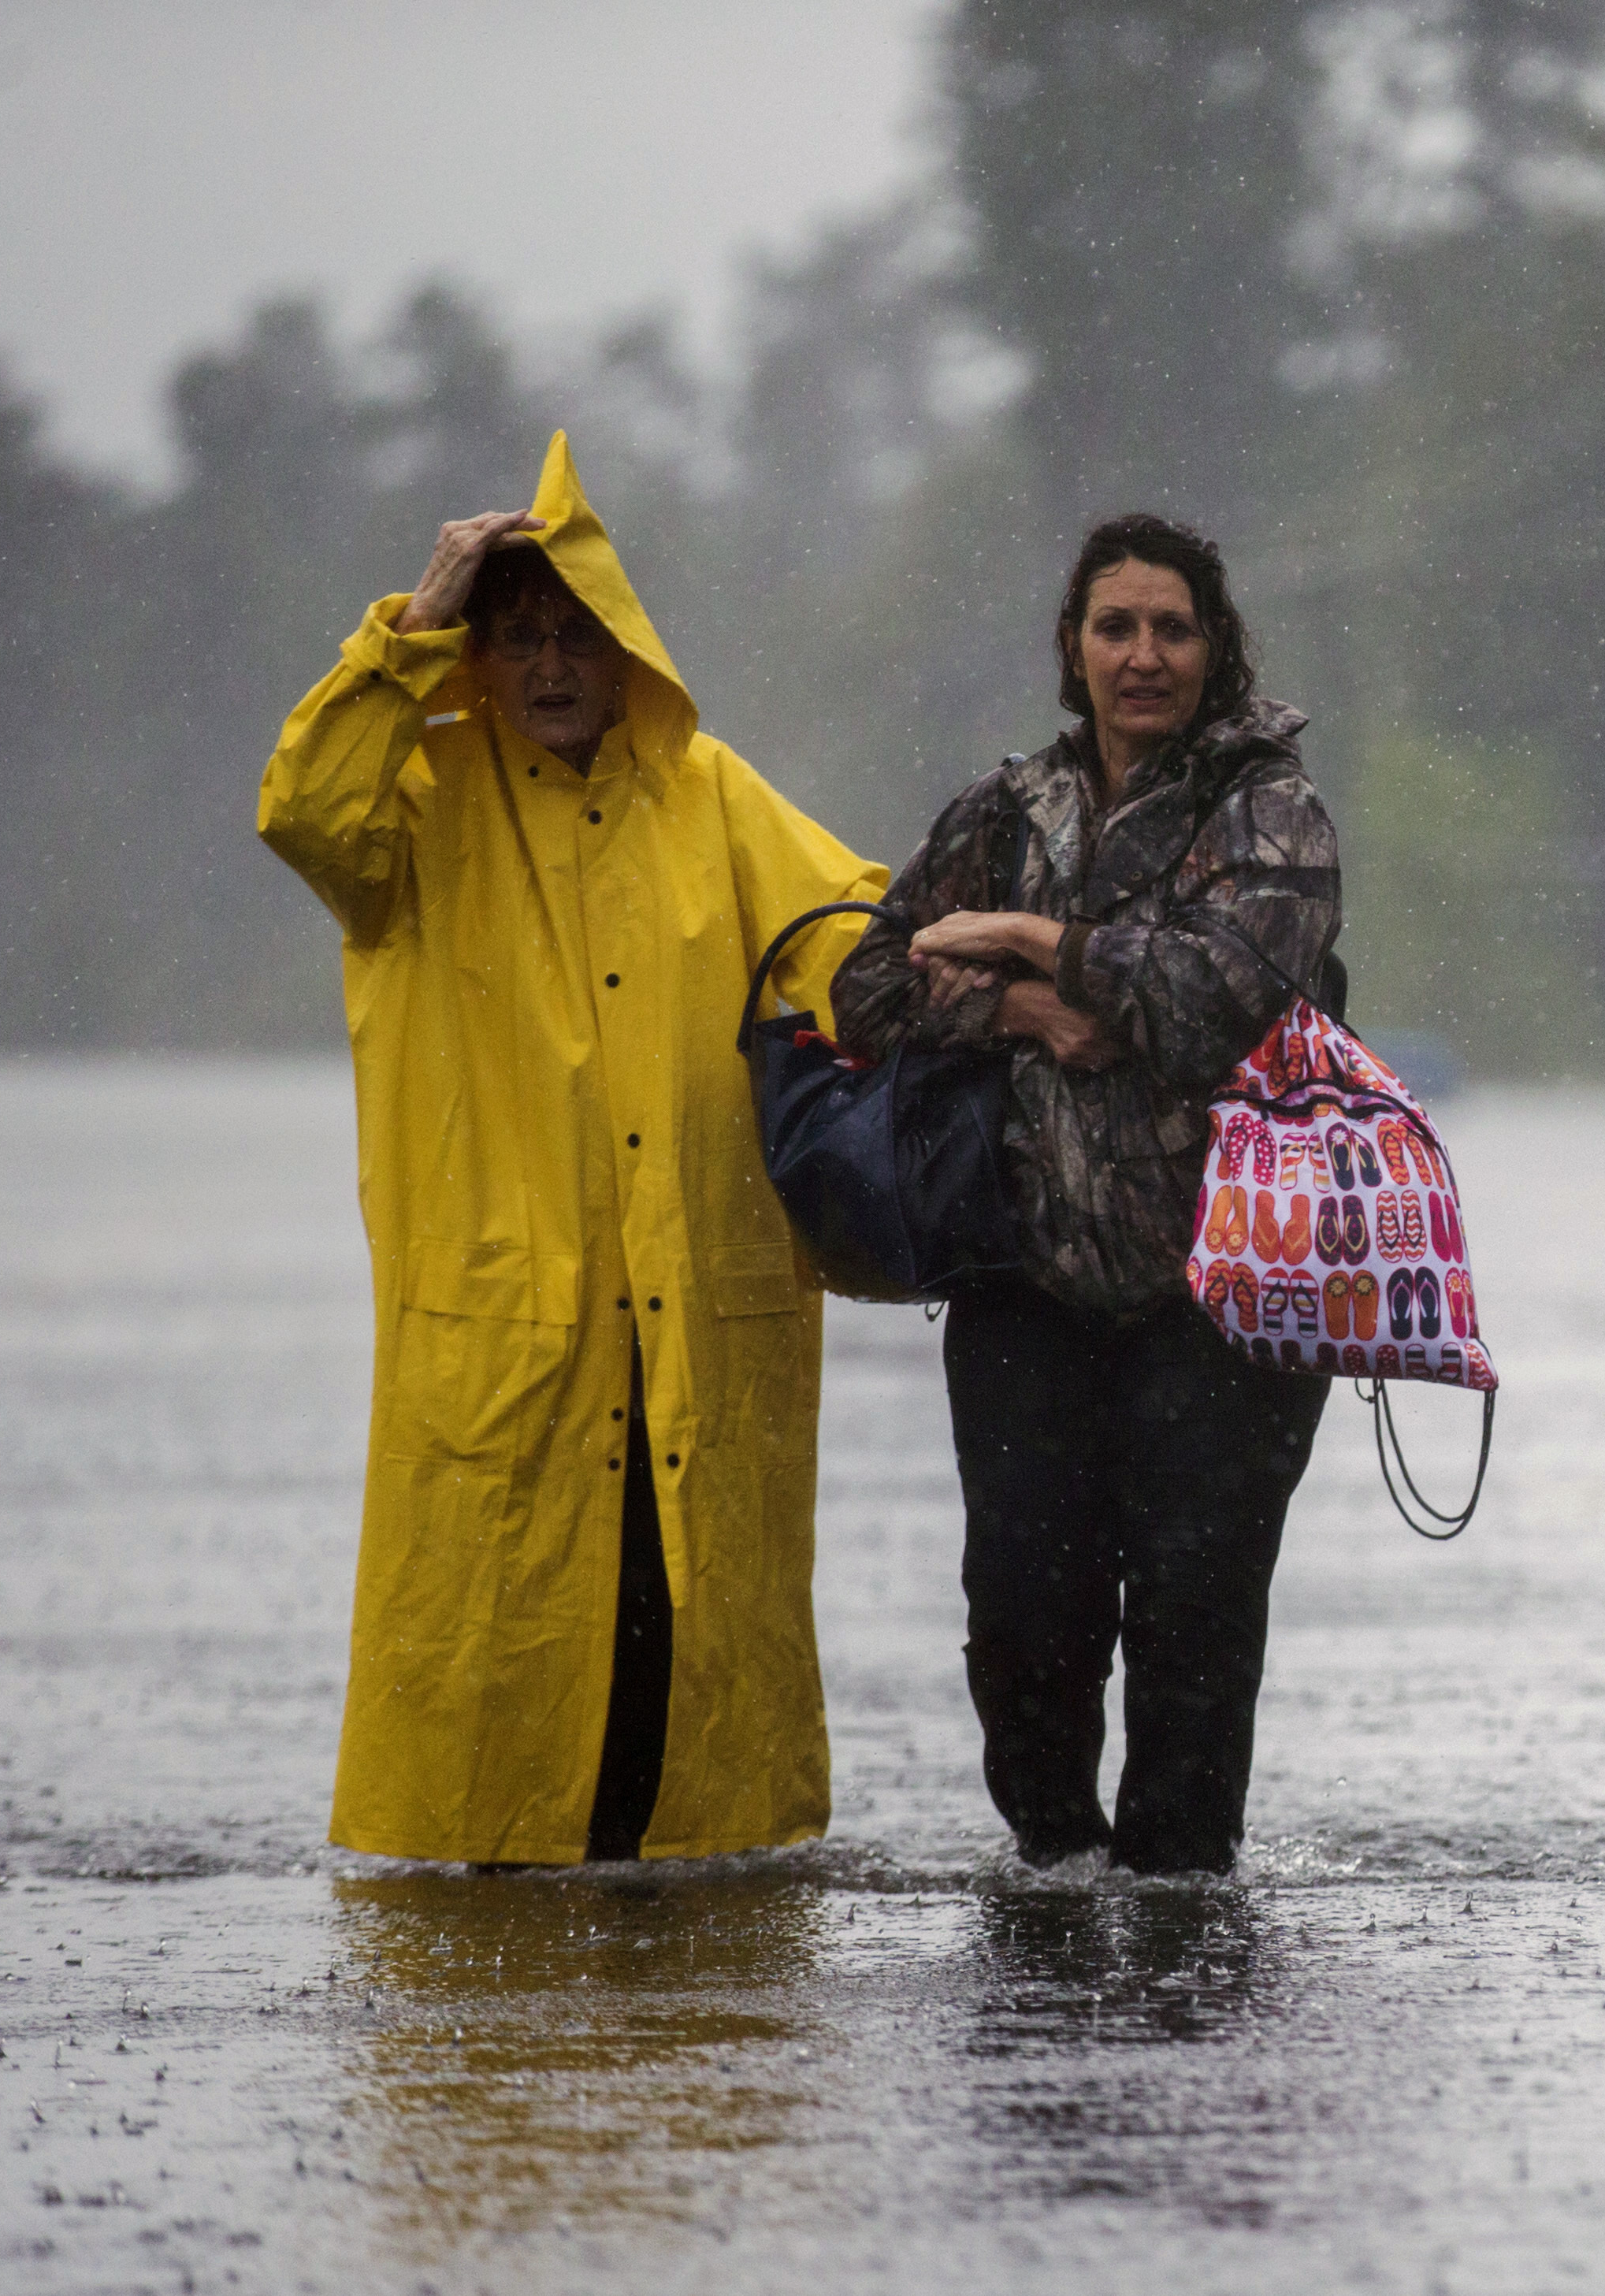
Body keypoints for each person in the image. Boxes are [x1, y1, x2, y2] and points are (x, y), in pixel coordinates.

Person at [258, 433, 887, 1867]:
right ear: (480, 654)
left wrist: (1004, 961)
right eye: (519, 633)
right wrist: (414, 619)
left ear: (626, 653)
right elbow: (302, 809)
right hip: (505, 1336)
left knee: (688, 1681)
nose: (548, 663)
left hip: (694, 1327)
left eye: (576, 633)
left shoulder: (712, 796)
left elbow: (850, 937)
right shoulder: (417, 807)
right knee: (498, 1690)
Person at [831, 514, 1340, 1878]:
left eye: (1172, 627)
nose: (1143, 654)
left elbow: (1216, 994)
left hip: (1226, 1295)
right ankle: (1053, 1873)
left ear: (1214, 646)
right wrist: (1024, 1010)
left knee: (1194, 1615)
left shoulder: (1270, 810)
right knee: (1022, 1611)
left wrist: (1028, 935)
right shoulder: (1000, 811)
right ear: (1073, 646)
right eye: (1115, 626)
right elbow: (868, 990)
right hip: (1024, 1282)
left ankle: (1180, 1907)